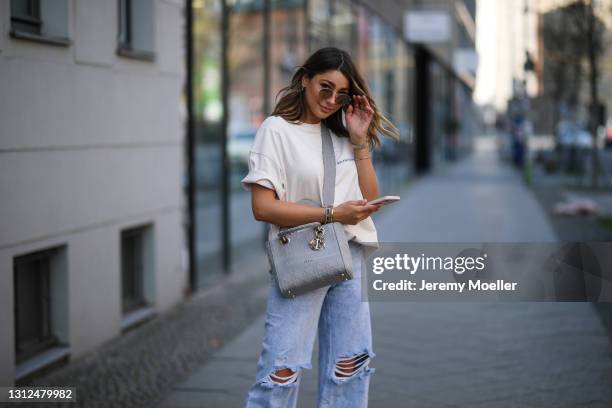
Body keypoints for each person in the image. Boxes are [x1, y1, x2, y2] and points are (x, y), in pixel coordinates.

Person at [241, 46, 400, 408]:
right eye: (324, 88)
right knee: (280, 373)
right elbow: (263, 207)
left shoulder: (343, 133)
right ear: (304, 80)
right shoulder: (276, 131)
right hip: (303, 257)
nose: (330, 100)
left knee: (350, 369)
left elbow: (369, 195)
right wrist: (331, 215)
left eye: (340, 94)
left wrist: (360, 141)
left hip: (350, 257)